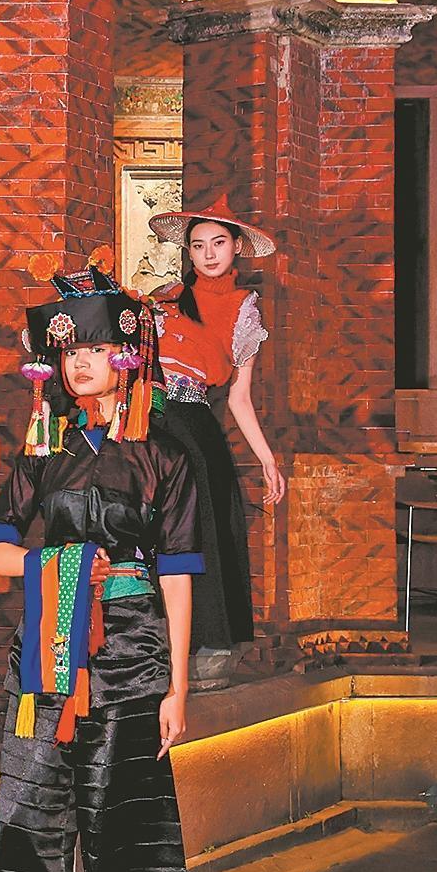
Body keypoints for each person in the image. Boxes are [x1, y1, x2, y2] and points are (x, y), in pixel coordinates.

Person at [0, 251, 200, 872]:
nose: (80, 365)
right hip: (46, 646)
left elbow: (178, 576)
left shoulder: (166, 454)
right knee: (37, 813)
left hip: (131, 652)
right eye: (70, 352)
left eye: (96, 350)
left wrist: (177, 687)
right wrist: (57, 562)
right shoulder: (45, 449)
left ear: (126, 356)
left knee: (110, 818)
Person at [147, 195, 283, 652]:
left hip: (194, 425)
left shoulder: (245, 308)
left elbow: (240, 399)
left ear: (236, 246)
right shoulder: (163, 298)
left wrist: (267, 460)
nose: (208, 253)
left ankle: (202, 645)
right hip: (146, 418)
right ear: (188, 251)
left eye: (218, 243)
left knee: (199, 526)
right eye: (198, 245)